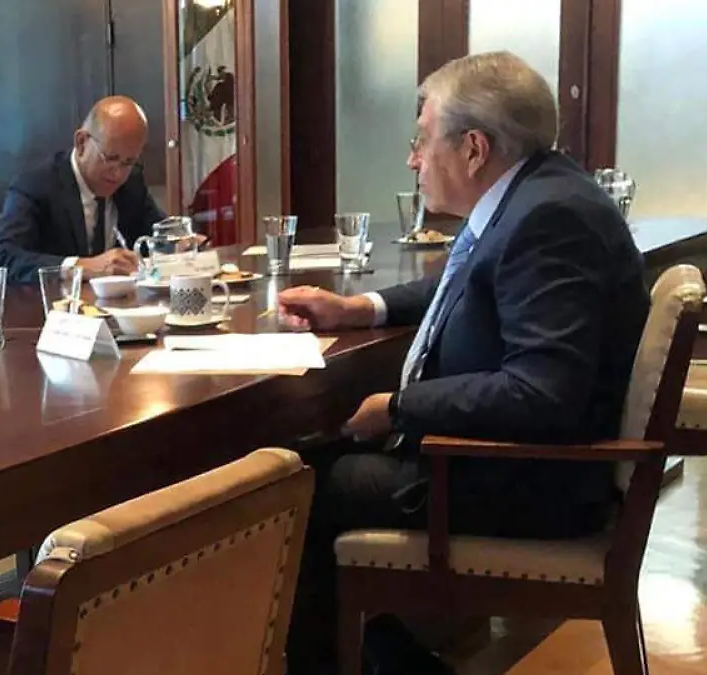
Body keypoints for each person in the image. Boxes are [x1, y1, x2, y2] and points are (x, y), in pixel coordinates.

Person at [277, 52, 649, 675]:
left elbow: (541, 393)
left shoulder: (549, 219)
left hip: (530, 483)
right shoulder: (539, 192)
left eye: (422, 140)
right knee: (319, 459)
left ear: (474, 148)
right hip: (520, 465)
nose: (412, 160)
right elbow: (467, 284)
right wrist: (359, 307)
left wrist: (400, 407)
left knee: (300, 485)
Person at [0, 95, 166, 284]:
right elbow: (0, 258)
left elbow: (158, 236)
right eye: (110, 158)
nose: (118, 174)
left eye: (129, 162)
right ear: (81, 143)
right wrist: (81, 266)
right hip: (53, 300)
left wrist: (178, 242)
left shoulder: (132, 182)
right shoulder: (36, 185)